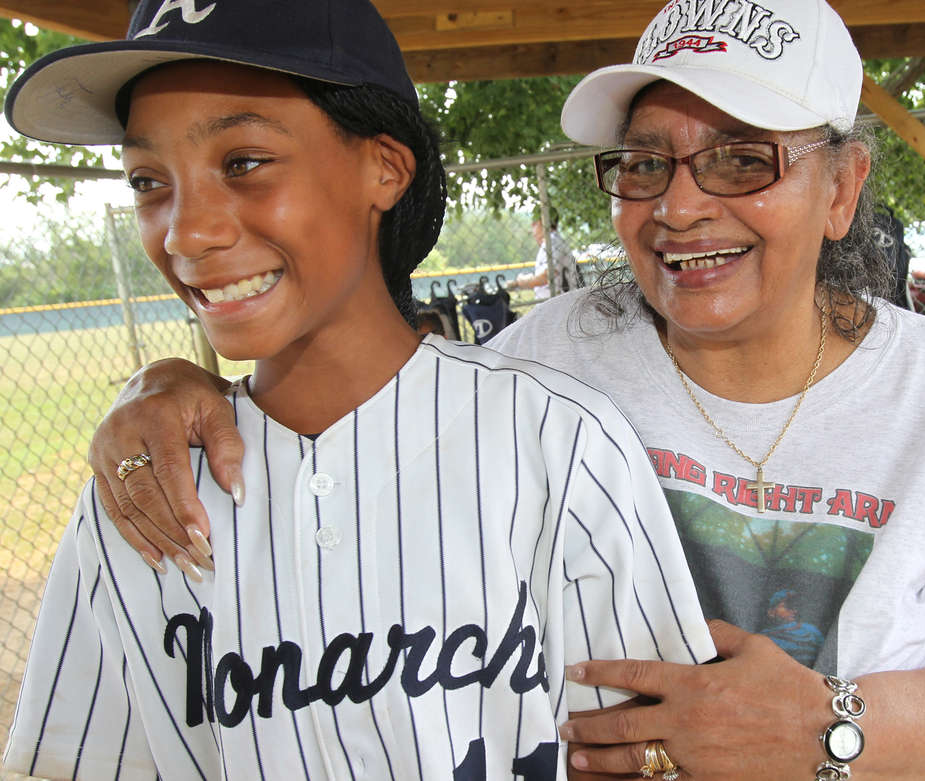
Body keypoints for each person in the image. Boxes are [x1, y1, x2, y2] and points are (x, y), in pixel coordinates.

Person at [85, 0, 925, 777]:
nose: (680, 205)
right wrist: (167, 384)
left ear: (843, 186)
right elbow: (367, 394)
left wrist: (826, 727)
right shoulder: (552, 364)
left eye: (744, 157)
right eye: (644, 162)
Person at [2, 1, 716, 778]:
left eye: (242, 163)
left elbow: (662, 750)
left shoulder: (556, 440)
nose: (185, 231)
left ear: (385, 167)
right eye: (148, 180)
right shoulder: (142, 495)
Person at [507, 209, 577, 300]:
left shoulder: (552, 242)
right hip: (558, 302)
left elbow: (547, 275)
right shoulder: (552, 241)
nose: (532, 226)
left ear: (545, 223)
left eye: (535, 223)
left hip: (558, 305)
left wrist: (521, 282)